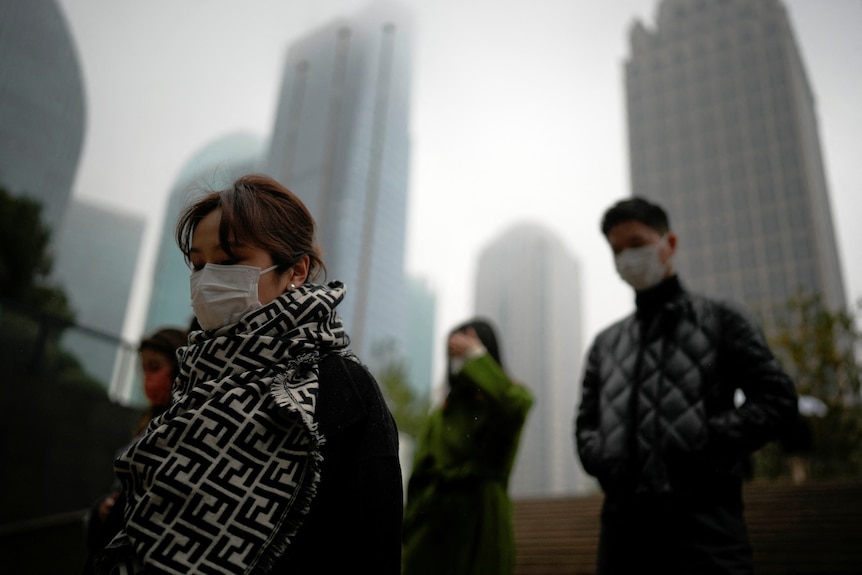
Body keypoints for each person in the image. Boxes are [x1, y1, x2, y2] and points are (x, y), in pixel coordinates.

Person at [90, 174, 403, 574]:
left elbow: (373, 549)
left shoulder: (343, 389)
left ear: (296, 270)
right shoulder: (194, 376)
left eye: (229, 260)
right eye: (198, 264)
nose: (207, 280)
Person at [575, 197, 798, 575]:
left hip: (705, 530)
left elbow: (777, 398)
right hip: (622, 536)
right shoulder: (606, 344)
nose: (627, 258)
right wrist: (607, 458)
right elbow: (585, 425)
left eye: (637, 244)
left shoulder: (721, 319)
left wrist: (704, 440)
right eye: (616, 250)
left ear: (669, 244)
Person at [402, 318, 533, 575]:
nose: (460, 358)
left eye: (467, 349)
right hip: (431, 533)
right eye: (455, 351)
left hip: (483, 527)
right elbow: (418, 479)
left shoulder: (504, 403)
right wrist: (410, 527)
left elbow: (517, 404)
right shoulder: (440, 417)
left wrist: (477, 358)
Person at [83, 326, 188, 562]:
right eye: (143, 369)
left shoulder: (183, 423)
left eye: (155, 367)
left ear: (178, 366)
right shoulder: (144, 423)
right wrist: (102, 509)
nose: (148, 377)